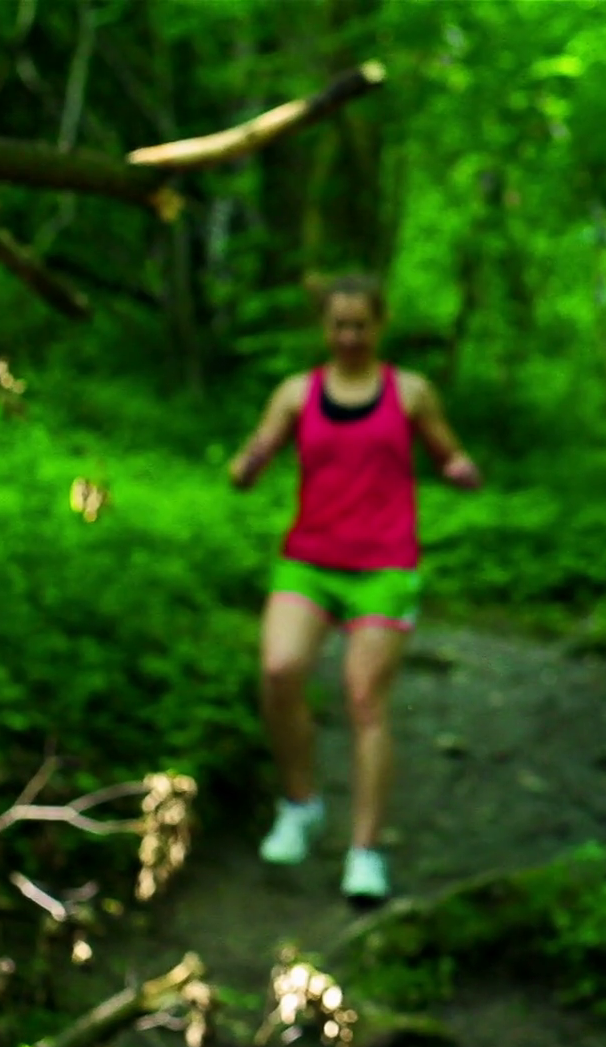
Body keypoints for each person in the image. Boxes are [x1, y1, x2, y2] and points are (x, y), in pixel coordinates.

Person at [228, 273, 482, 904]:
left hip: (384, 564)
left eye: (359, 325)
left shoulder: (411, 393)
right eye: (338, 325)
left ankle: (365, 853)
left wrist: (457, 469)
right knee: (280, 671)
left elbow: (447, 453)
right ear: (325, 328)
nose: (348, 336)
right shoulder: (296, 394)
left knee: (364, 699)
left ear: (378, 326)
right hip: (309, 558)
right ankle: (301, 803)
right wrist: (250, 463)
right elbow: (255, 452)